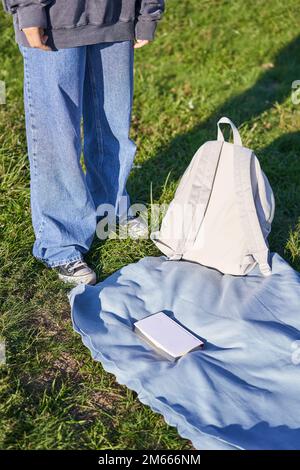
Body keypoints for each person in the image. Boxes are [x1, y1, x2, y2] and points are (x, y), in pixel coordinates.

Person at [2, 0, 165, 285]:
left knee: (113, 126)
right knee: (58, 136)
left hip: (118, 17)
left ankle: (110, 211)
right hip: (54, 20)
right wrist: (29, 10)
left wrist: (147, 11)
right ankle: (61, 241)